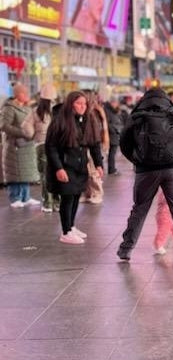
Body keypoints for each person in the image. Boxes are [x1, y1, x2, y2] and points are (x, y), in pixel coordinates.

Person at [116, 87, 173, 265]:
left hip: (145, 170)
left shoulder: (137, 115)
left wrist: (136, 160)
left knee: (139, 209)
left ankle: (126, 249)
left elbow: (124, 142)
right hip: (172, 169)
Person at [45, 91, 104, 244]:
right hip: (65, 166)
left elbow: (94, 144)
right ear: (71, 104)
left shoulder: (88, 120)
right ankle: (66, 232)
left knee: (76, 195)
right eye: (78, 103)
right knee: (68, 197)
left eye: (84, 104)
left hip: (80, 166)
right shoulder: (60, 121)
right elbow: (50, 147)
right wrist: (59, 168)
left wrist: (99, 164)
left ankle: (71, 226)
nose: (82, 107)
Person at [0, 83, 40, 208]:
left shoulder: (29, 108)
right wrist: (22, 132)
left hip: (27, 145)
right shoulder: (9, 108)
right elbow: (4, 126)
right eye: (25, 93)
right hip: (15, 146)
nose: (28, 95)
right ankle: (15, 197)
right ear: (18, 94)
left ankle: (26, 196)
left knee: (26, 172)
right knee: (15, 172)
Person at [33, 83, 60, 212]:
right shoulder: (58, 110)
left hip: (41, 144)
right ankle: (57, 202)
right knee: (57, 173)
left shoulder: (36, 111)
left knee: (45, 174)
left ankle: (47, 203)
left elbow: (26, 128)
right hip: (57, 145)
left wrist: (34, 135)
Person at [103, 95, 126, 175]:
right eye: (116, 103)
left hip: (115, 134)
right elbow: (107, 123)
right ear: (112, 103)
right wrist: (115, 130)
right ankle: (111, 169)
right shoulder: (107, 110)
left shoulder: (114, 110)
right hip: (112, 135)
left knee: (112, 153)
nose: (117, 104)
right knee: (112, 153)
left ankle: (112, 168)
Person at [153, 188, 173, 255]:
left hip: (169, 213)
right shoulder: (169, 190)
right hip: (165, 213)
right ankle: (158, 245)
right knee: (164, 230)